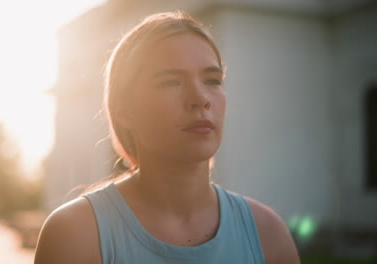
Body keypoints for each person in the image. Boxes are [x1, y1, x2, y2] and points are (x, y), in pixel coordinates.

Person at [34, 11, 300, 264]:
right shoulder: (75, 237)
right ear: (124, 110)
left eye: (212, 80)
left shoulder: (269, 236)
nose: (200, 99)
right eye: (171, 82)